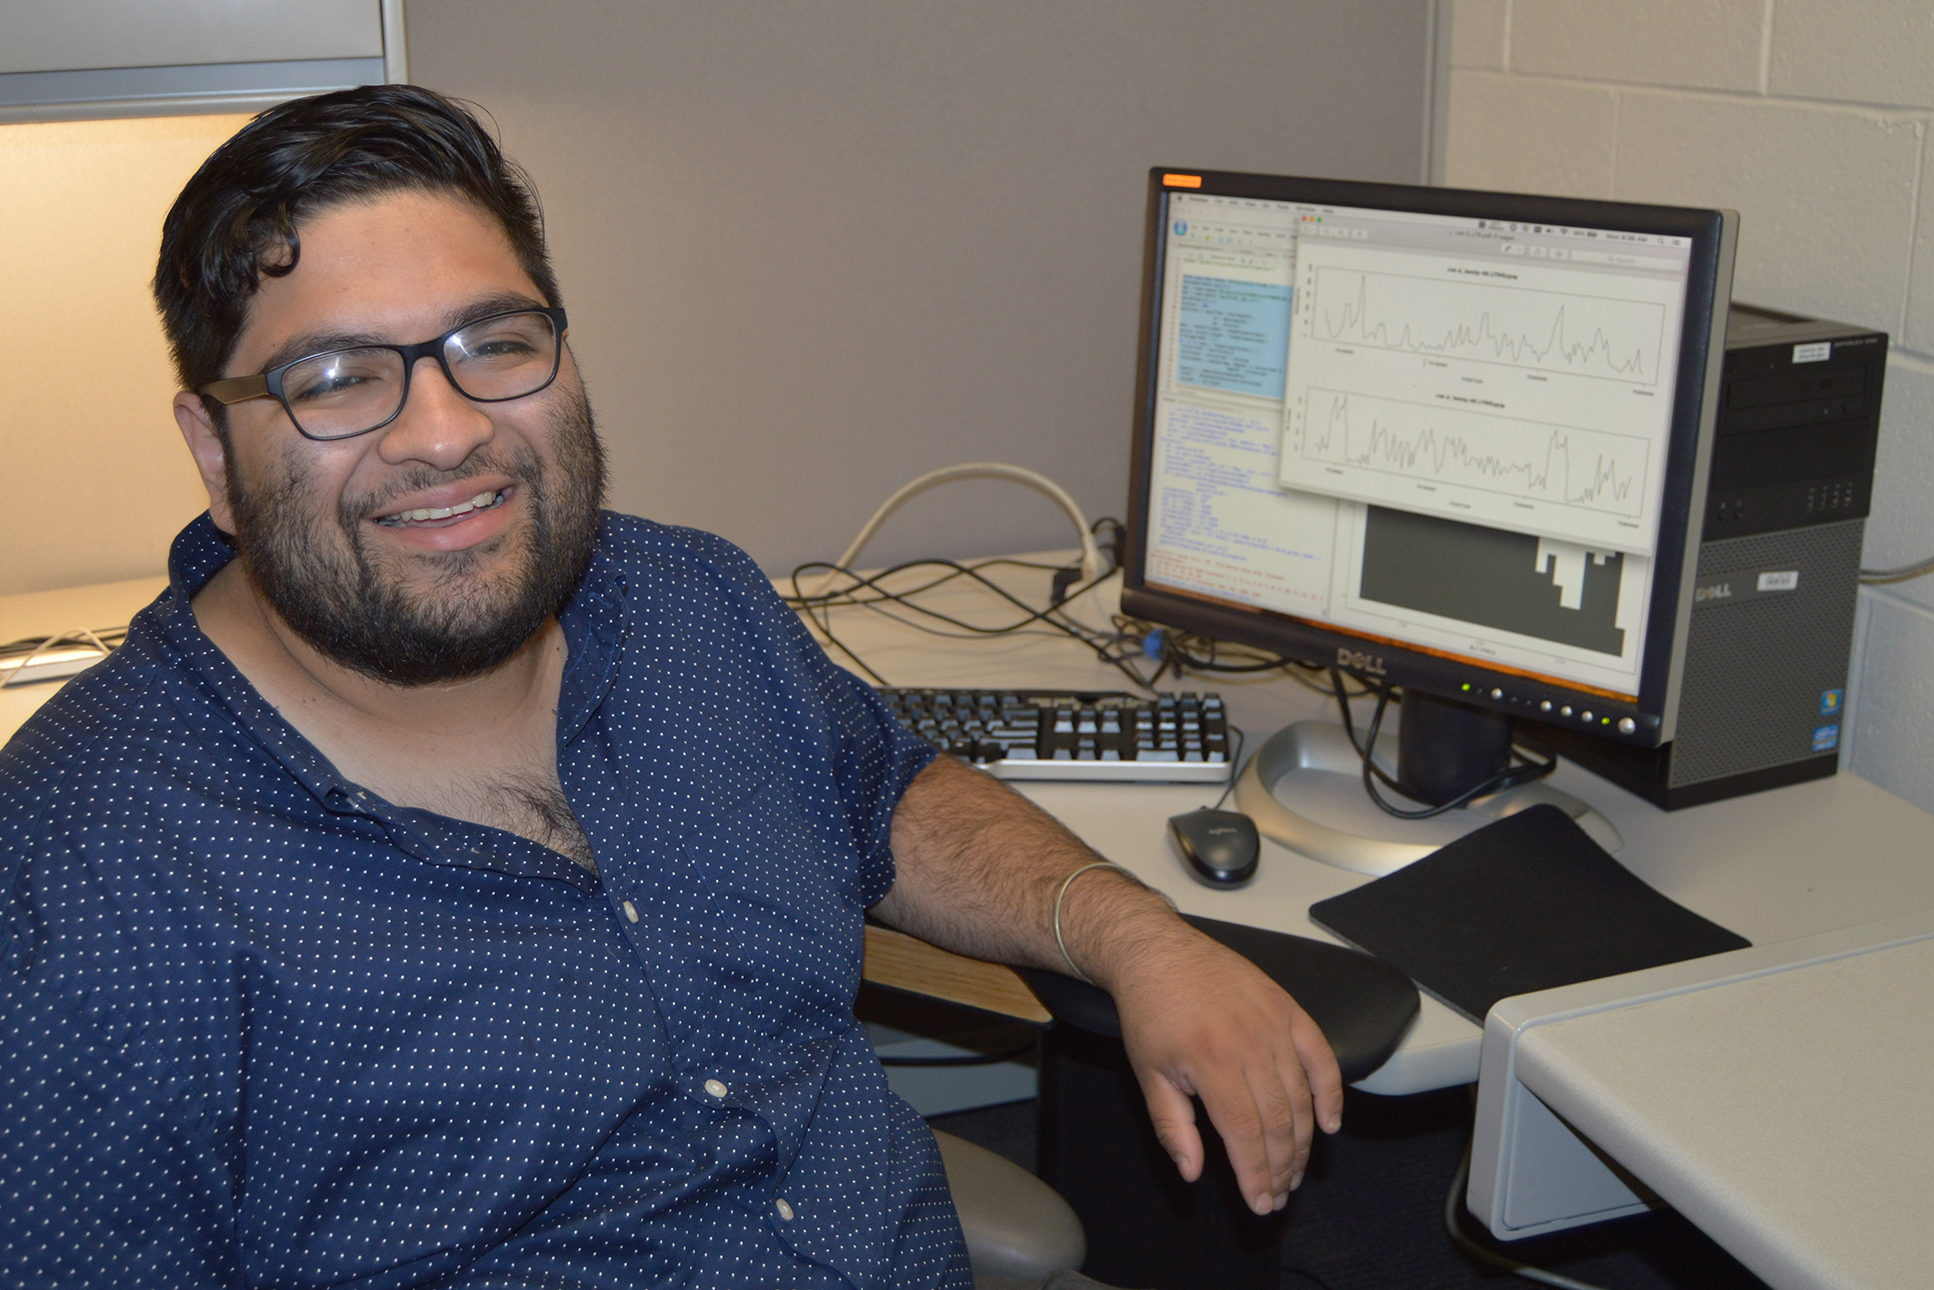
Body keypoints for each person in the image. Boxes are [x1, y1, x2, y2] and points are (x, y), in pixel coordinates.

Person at [0, 85, 1340, 1288]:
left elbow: (885, 791)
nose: (448, 428)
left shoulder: (687, 602)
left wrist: (1131, 931)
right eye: (338, 377)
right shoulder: (85, 878)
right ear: (216, 453)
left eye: (496, 341)